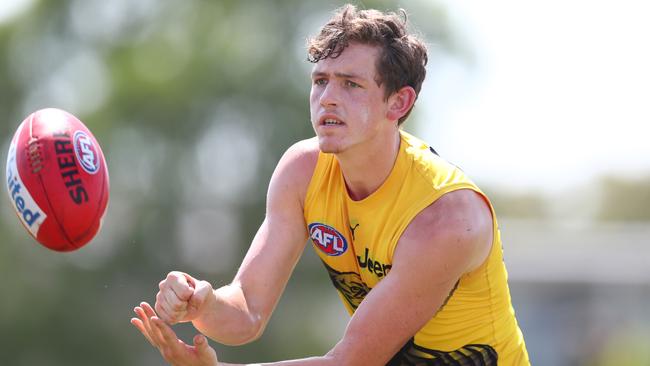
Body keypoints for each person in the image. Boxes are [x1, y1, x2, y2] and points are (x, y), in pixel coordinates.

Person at [131, 4, 530, 365]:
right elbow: (247, 312)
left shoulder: (447, 218)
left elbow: (352, 362)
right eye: (320, 81)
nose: (327, 99)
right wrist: (202, 303)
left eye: (351, 84)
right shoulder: (302, 171)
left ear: (399, 103)